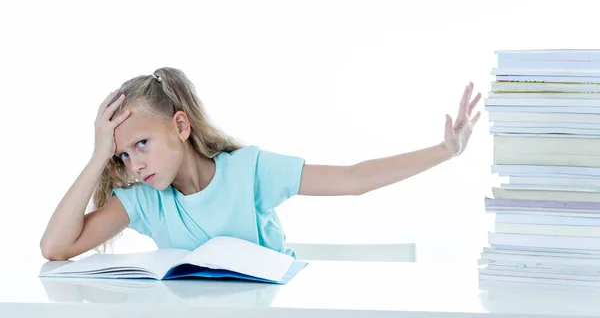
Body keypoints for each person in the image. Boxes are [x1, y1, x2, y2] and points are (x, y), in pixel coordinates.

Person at [40, 67, 481, 261]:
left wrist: (445, 151)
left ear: (180, 125)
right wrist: (99, 154)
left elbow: (354, 179)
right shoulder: (144, 201)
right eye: (122, 154)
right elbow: (56, 248)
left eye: (141, 144)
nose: (133, 164)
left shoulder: (248, 172)